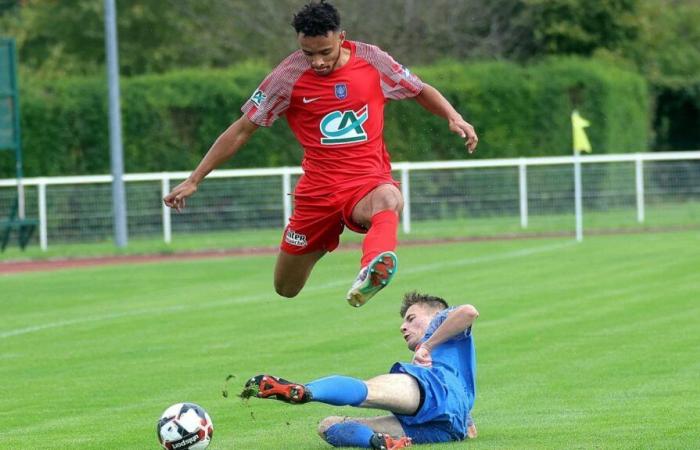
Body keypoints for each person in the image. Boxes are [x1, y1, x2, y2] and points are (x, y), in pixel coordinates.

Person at [163, 1, 478, 307]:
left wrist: (453, 116)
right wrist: (194, 179)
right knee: (286, 288)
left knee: (390, 199)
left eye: (325, 52)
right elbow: (243, 128)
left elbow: (419, 88)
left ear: (341, 37)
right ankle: (325, 237)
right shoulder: (286, 77)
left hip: (366, 183)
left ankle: (372, 268)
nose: (317, 62)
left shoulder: (372, 59)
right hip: (317, 194)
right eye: (308, 53)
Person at [241, 292, 479, 449]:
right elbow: (460, 406)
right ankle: (377, 442)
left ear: (435, 314)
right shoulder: (442, 355)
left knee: (368, 391)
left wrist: (427, 345)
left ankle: (307, 391)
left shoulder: (440, 323)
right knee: (329, 426)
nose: (403, 326)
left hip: (432, 389)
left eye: (411, 318)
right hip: (446, 428)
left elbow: (468, 311)